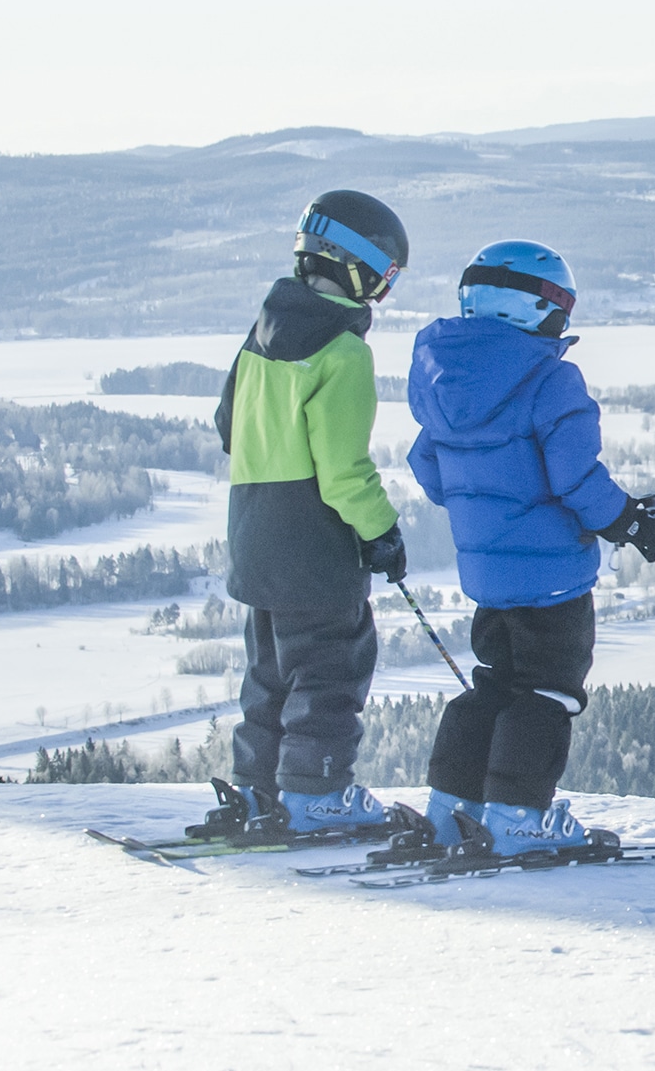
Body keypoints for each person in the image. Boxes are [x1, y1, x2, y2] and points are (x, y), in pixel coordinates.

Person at [406, 239, 655, 856]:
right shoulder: (551, 378)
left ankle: (451, 812)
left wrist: (486, 514)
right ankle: (517, 820)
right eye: (560, 307)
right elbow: (576, 478)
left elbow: (428, 469)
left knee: (493, 687)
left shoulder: (447, 379)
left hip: (488, 580)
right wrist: (632, 520)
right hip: (551, 577)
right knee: (547, 694)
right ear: (532, 309)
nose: (565, 320)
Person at [213, 190, 409, 835]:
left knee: (269, 674)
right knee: (330, 669)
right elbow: (344, 470)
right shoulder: (343, 352)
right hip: (313, 543)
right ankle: (317, 795)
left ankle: (257, 792)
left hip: (254, 532)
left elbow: (226, 425)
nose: (379, 294)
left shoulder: (264, 331)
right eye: (384, 278)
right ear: (359, 266)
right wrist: (382, 532)